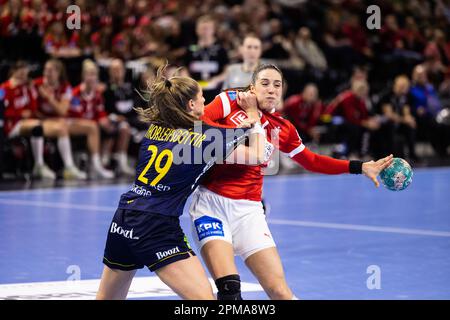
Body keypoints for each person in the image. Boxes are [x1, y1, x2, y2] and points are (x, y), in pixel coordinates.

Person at [189, 64, 394, 300]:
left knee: (280, 292)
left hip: (249, 212)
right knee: (230, 291)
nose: (271, 90)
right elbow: (198, 126)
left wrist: (359, 166)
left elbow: (312, 161)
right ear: (252, 86)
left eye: (277, 85)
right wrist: (239, 130)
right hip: (211, 205)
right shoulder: (229, 101)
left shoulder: (283, 128)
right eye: (264, 83)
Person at [96, 64, 266, 300]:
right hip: (156, 225)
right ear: (191, 105)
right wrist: (253, 116)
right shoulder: (206, 139)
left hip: (123, 218)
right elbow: (258, 154)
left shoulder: (156, 128)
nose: (205, 102)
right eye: (202, 98)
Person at [0, 61, 81, 180]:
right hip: (11, 124)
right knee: (38, 125)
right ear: (13, 72)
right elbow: (3, 111)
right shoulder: (4, 88)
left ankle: (41, 165)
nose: (22, 76)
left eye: (25, 73)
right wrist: (19, 113)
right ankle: (39, 165)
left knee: (40, 126)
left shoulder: (27, 87)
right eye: (20, 73)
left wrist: (30, 112)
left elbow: (33, 107)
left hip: (27, 122)